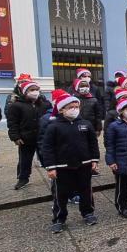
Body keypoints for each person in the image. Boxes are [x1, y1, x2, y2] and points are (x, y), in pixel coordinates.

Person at [42, 93, 99, 233]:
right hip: (62, 168)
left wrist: (94, 160)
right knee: (60, 194)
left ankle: (88, 213)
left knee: (86, 191)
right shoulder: (53, 126)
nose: (74, 109)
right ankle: (59, 218)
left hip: (84, 165)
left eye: (76, 106)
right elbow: (47, 148)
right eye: (70, 107)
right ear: (61, 109)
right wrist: (51, 167)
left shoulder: (85, 124)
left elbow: (93, 143)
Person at [7, 81, 51, 190]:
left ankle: (53, 174)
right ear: (24, 91)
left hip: (43, 137)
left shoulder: (45, 104)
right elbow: (12, 123)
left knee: (47, 157)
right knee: (25, 159)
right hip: (26, 138)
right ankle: (23, 178)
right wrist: (15, 137)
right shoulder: (16, 106)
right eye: (32, 90)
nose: (35, 92)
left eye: (37, 89)